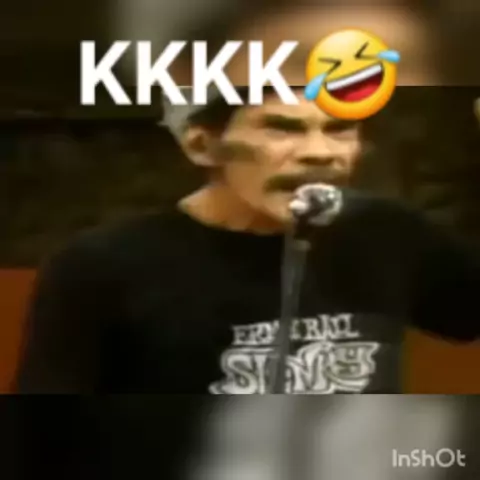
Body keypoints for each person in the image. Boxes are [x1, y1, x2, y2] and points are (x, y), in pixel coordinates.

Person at [14, 85, 480, 395]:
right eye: (281, 128)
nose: (320, 153)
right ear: (201, 145)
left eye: (340, 129)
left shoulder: (388, 232)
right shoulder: (103, 265)